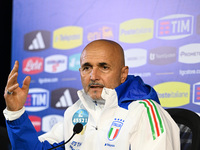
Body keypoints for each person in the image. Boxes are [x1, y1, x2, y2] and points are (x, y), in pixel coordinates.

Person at [3, 39, 180, 150]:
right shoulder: (76, 111)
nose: (93, 76)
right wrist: (16, 112)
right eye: (87, 68)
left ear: (123, 73)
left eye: (104, 67)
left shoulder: (144, 112)